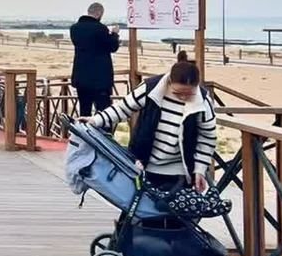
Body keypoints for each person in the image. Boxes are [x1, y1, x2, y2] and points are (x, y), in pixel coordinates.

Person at [80, 52, 217, 192]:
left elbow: (207, 137)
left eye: (189, 94)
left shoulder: (203, 101)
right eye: (178, 93)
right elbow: (123, 108)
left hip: (180, 171)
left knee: (173, 206)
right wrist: (95, 120)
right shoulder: (151, 88)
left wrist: (199, 170)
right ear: (169, 81)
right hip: (143, 163)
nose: (183, 97)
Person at [70, 2, 121, 116]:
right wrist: (114, 34)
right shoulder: (100, 29)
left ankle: (84, 128)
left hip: (81, 78)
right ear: (99, 13)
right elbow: (112, 47)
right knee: (103, 114)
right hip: (100, 79)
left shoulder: (74, 28)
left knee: (84, 111)